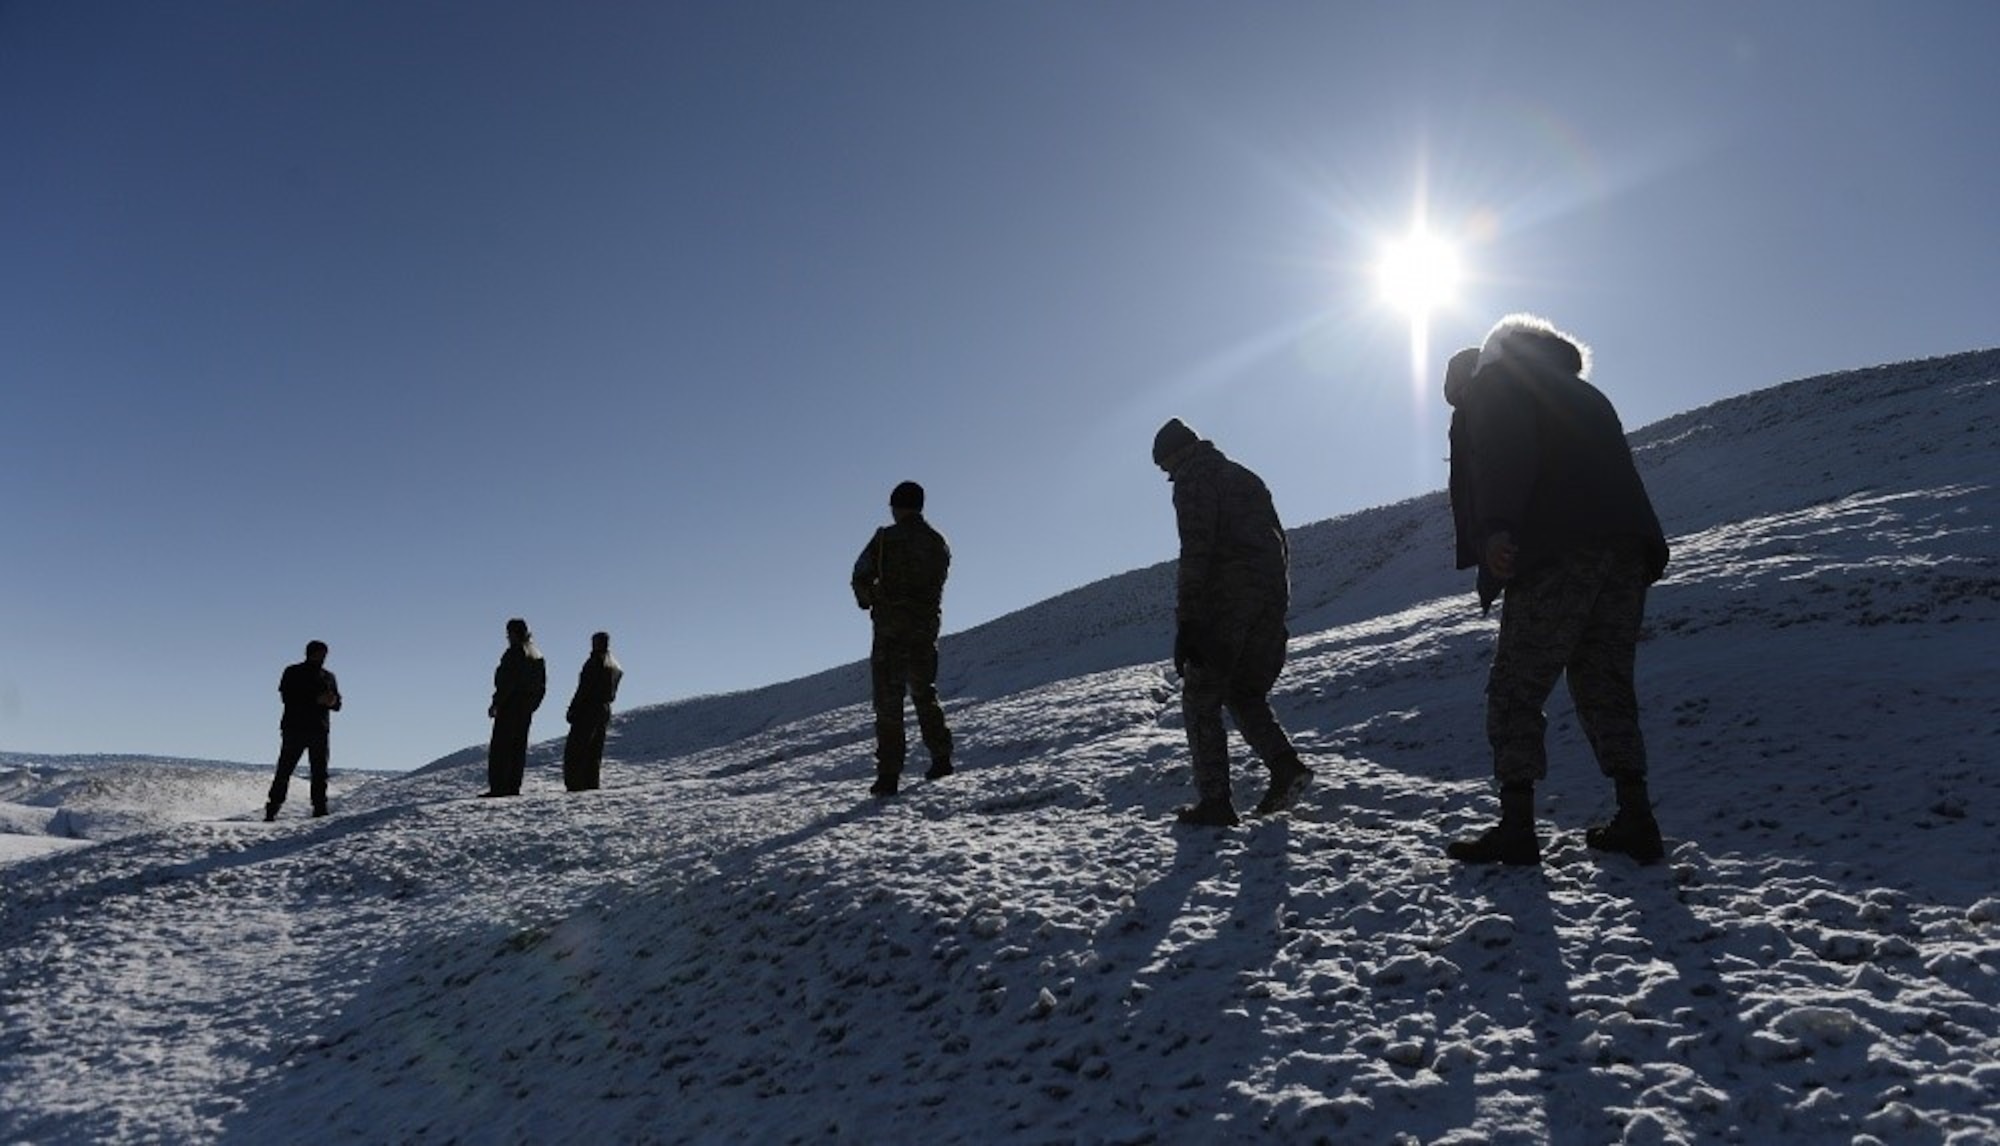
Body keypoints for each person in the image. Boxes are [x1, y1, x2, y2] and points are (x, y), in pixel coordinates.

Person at [1442, 314, 1671, 865]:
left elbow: (1504, 452)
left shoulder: (1496, 383)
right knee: (1604, 683)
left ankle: (1517, 828)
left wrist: (1497, 527)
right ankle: (1636, 817)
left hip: (1558, 549)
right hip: (1627, 550)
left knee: (1515, 689)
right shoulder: (1581, 391)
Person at [1152, 418, 1313, 827]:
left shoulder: (1194, 479)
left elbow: (1197, 548)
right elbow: (1279, 540)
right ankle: (1285, 766)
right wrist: (1274, 602)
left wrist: (1188, 620)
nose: (1168, 476)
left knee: (1200, 698)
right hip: (1270, 599)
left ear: (1176, 454)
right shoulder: (1244, 476)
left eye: (1165, 467)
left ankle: (1216, 802)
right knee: (1243, 693)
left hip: (1226, 602)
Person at [851, 480, 954, 797]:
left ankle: (889, 775)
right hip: (924, 631)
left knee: (888, 704)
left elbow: (860, 577)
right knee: (925, 695)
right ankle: (941, 758)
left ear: (897, 506)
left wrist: (870, 599)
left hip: (890, 632)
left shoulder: (885, 539)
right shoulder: (938, 542)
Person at [264, 640, 342, 821]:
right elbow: (287, 697)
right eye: (320, 654)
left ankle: (320, 809)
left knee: (320, 772)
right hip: (295, 728)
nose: (323, 658)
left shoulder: (328, 676)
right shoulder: (293, 672)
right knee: (284, 770)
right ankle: (273, 808)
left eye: (325, 654)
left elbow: (338, 703)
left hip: (319, 729)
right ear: (310, 653)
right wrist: (316, 699)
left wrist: (332, 702)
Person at [483, 617, 546, 797]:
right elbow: (542, 686)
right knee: (518, 746)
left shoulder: (515, 652)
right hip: (525, 708)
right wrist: (531, 706)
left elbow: (507, 682)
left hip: (511, 705)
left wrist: (497, 703)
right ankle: (513, 786)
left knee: (501, 747)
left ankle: (499, 787)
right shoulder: (536, 654)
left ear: (513, 633)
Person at [562, 630, 623, 792]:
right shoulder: (614, 664)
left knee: (577, 747)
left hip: (589, 708)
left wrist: (573, 707)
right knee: (595, 749)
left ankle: (576, 784)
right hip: (604, 709)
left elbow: (584, 688)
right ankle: (591, 783)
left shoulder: (595, 662)